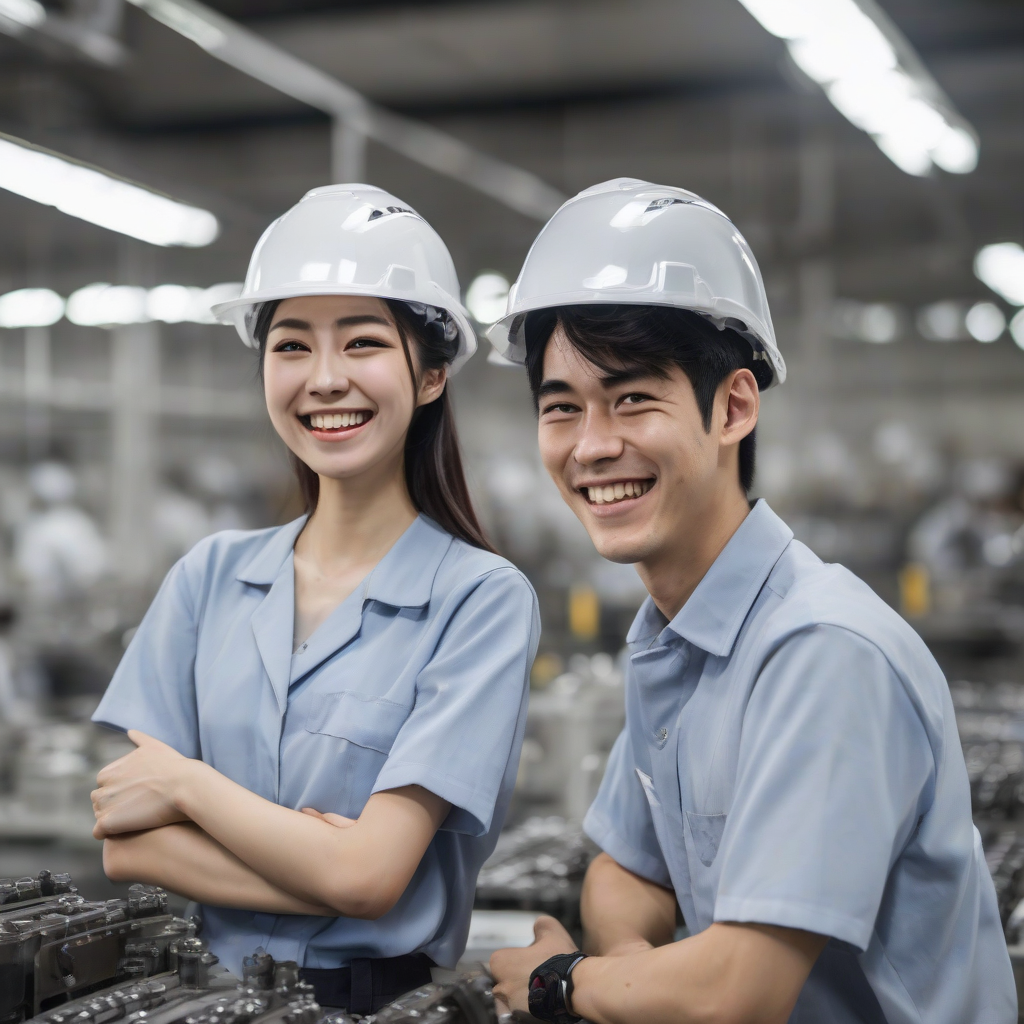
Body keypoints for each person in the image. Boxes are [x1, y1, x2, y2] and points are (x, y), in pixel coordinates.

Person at [487, 178, 1014, 1024]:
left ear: (733, 407)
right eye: (562, 409)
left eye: (632, 399)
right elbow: (625, 869)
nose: (593, 445)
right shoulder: (670, 641)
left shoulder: (823, 652)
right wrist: (634, 977)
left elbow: (740, 990)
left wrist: (567, 982)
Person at [88, 184, 540, 1013]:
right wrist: (330, 865)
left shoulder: (480, 600)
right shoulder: (209, 576)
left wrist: (190, 787)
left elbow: (368, 878)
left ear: (432, 373)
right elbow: (126, 845)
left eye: (363, 343)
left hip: (373, 1005)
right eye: (291, 346)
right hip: (203, 1000)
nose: (324, 380)